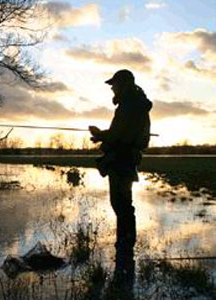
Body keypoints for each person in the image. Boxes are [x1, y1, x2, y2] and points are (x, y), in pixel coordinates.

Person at [88, 69, 152, 278]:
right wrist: (102, 137)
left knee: (121, 204)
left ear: (124, 84)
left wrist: (99, 135)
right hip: (127, 159)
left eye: (114, 84)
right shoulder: (137, 104)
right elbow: (123, 133)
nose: (112, 88)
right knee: (123, 204)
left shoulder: (129, 105)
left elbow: (117, 134)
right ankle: (125, 246)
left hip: (121, 160)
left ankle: (124, 247)